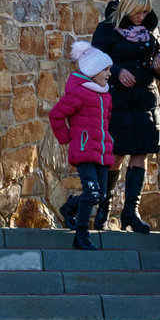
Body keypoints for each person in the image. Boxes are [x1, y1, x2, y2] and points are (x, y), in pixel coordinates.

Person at [92, 0, 160, 234]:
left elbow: (154, 64)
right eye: (138, 12)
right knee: (115, 155)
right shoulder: (107, 29)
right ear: (127, 8)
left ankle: (130, 213)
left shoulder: (149, 29)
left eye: (145, 12)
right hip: (118, 100)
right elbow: (94, 61)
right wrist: (117, 71)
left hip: (146, 100)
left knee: (141, 155)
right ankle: (103, 211)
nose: (142, 17)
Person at [47, 40, 115, 250]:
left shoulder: (106, 95)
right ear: (93, 70)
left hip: (103, 152)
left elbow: (106, 122)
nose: (109, 74)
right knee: (92, 193)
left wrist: (109, 141)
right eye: (105, 69)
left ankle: (69, 208)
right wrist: (67, 137)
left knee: (100, 195)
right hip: (85, 151)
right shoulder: (79, 92)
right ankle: (81, 236)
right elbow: (56, 114)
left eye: (109, 69)